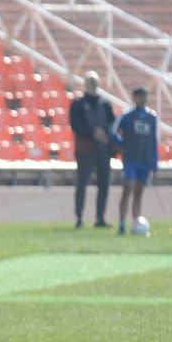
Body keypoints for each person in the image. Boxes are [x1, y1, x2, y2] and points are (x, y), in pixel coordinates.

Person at [69, 71, 117, 228]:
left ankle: (100, 217)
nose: (92, 85)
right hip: (86, 149)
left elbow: (112, 123)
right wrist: (92, 133)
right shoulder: (78, 104)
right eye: (89, 82)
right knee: (82, 183)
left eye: (94, 82)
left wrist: (105, 134)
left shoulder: (105, 104)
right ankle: (79, 216)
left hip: (103, 149)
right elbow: (76, 125)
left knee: (104, 184)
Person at [113, 87, 159, 235]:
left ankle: (136, 224)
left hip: (144, 160)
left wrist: (154, 164)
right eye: (140, 96)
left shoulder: (152, 117)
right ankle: (121, 224)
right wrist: (122, 146)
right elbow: (113, 133)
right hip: (131, 160)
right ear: (135, 98)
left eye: (145, 96)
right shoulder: (127, 116)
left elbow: (154, 141)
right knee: (127, 190)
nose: (143, 99)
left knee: (138, 193)